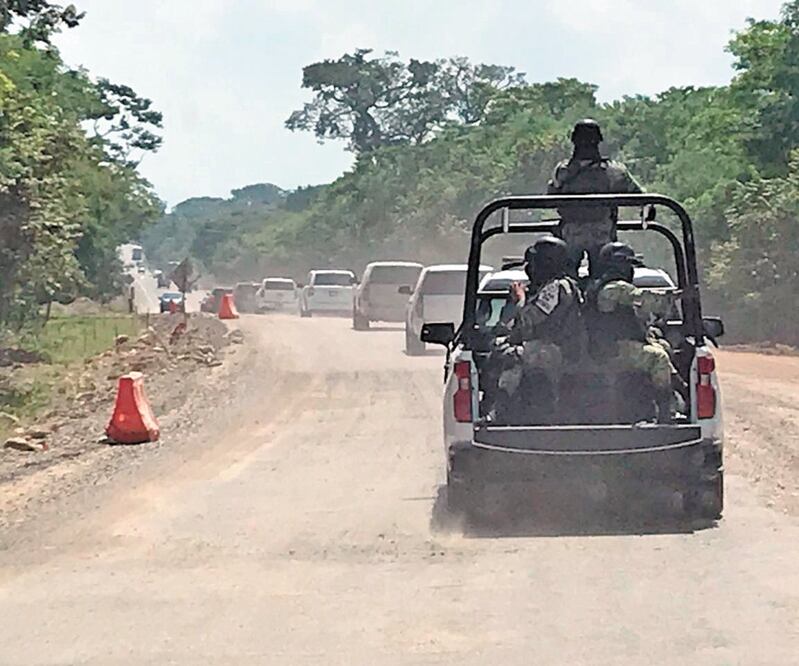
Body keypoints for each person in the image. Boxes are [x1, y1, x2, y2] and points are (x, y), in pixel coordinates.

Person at [486, 236, 583, 421]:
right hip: (553, 348)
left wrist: (520, 299)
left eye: (535, 262)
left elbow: (530, 319)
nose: (530, 268)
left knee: (508, 354)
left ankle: (500, 412)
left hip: (556, 349)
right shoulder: (555, 285)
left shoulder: (555, 287)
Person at [585, 241, 679, 422]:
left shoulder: (598, 285)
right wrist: (674, 297)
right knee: (659, 359)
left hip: (610, 346)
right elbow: (643, 298)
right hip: (610, 350)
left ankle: (669, 392)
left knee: (662, 346)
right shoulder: (613, 287)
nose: (630, 270)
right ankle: (666, 413)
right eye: (627, 265)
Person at [547, 119, 642, 272]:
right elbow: (639, 197)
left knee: (564, 274)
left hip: (571, 234)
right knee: (605, 274)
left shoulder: (563, 171)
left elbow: (551, 197)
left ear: (574, 141)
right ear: (598, 141)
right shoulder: (613, 171)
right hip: (602, 233)